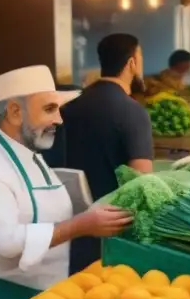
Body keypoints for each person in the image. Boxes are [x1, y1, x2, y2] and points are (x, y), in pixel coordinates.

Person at [0, 66, 133, 288]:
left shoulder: (28, 150)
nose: (59, 120)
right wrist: (80, 225)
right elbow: (5, 243)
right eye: (49, 109)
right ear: (15, 112)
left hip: (40, 289)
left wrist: (92, 210)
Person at [60, 33, 154, 272]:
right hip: (114, 232)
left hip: (74, 230)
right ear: (132, 63)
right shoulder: (132, 111)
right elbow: (140, 181)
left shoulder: (70, 107)